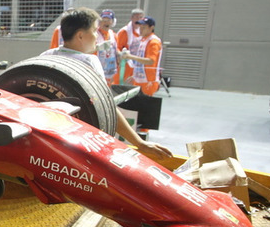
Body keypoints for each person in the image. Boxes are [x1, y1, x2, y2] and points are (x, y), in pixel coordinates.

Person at [41, 8, 172, 159]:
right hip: (79, 141)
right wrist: (139, 142)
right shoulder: (89, 61)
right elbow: (106, 107)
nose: (97, 37)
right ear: (80, 35)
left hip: (50, 137)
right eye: (95, 31)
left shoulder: (47, 55)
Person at [122, 16, 162, 94]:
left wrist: (130, 56)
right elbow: (140, 61)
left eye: (144, 27)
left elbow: (150, 61)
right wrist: (135, 75)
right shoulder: (143, 40)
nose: (140, 29)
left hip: (148, 81)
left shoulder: (153, 42)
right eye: (140, 27)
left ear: (151, 28)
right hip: (140, 80)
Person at [97, 9, 118, 84]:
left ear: (113, 22)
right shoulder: (94, 35)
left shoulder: (114, 35)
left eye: (108, 20)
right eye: (104, 20)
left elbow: (117, 53)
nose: (106, 22)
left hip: (110, 74)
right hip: (97, 73)